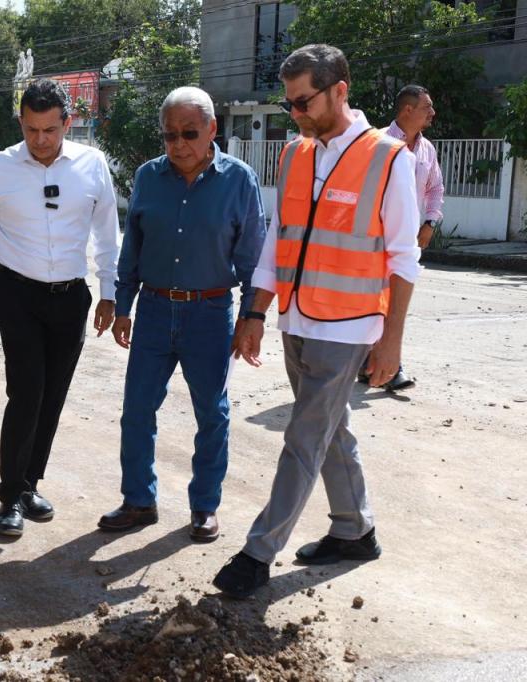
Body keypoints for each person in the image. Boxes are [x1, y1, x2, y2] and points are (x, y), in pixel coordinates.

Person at [212, 44, 420, 598]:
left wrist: (390, 342)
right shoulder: (297, 154)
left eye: (304, 102)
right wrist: (255, 309)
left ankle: (258, 553)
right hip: (297, 319)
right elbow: (276, 242)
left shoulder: (390, 158)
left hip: (350, 326)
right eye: (289, 106)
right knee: (329, 431)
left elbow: (404, 258)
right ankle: (354, 530)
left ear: (339, 90)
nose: (297, 113)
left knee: (303, 436)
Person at [0, 79, 119, 537]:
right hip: (17, 294)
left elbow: (107, 237)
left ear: (68, 123)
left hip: (70, 297)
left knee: (53, 396)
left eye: (50, 129)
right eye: (31, 129)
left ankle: (30, 483)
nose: (40, 140)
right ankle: (10, 495)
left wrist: (110, 293)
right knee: (27, 391)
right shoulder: (0, 168)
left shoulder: (93, 166)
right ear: (22, 124)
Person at [96, 86, 266, 542]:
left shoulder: (239, 180)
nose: (178, 144)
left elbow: (253, 258)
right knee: (136, 411)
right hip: (152, 311)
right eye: (169, 135)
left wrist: (254, 317)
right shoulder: (149, 177)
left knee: (212, 413)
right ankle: (138, 500)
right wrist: (123, 304)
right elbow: (132, 246)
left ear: (212, 129)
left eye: (189, 133)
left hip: (210, 315)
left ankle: (205, 506)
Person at [357, 84, 444, 392]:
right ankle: (385, 364)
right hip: (375, 240)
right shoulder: (377, 143)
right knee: (380, 302)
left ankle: (372, 365)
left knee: (392, 302)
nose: (432, 113)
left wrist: (430, 222)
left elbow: (435, 189)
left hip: (406, 242)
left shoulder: (426, 149)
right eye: (427, 107)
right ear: (408, 110)